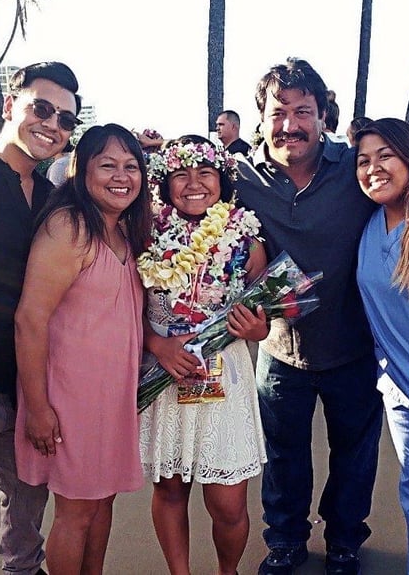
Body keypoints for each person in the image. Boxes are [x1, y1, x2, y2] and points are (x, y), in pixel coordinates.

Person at [236, 58, 409, 575]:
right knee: (283, 457)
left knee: (355, 456)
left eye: (303, 111)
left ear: (322, 116)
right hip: (280, 346)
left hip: (356, 348)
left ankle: (346, 541)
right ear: (261, 118)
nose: (291, 124)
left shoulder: (353, 166)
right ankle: (284, 541)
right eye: (279, 112)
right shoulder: (238, 177)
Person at [14, 123, 152, 574]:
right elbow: (29, 319)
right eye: (107, 164)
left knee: (101, 502)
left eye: (131, 166)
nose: (121, 176)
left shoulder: (124, 229)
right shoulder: (69, 226)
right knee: (75, 515)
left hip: (111, 399)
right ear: (81, 171)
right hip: (69, 400)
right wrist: (38, 407)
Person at [138, 134, 268, 575]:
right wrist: (157, 345)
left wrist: (259, 327)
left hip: (224, 379)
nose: (193, 183)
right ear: (165, 182)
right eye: (181, 174)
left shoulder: (246, 239)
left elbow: (264, 316)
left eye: (205, 172)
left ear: (222, 180)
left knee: (228, 503)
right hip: (165, 376)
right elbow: (119, 308)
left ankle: (227, 572)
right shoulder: (142, 233)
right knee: (170, 490)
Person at [0, 61, 81, 575]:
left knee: (27, 502)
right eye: (41, 108)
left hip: (20, 391)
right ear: (10, 105)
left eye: (66, 119)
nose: (52, 124)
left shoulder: (51, 199)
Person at [356, 118, 409, 575]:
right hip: (400, 390)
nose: (373, 168)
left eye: (385, 155)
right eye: (364, 161)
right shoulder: (366, 225)